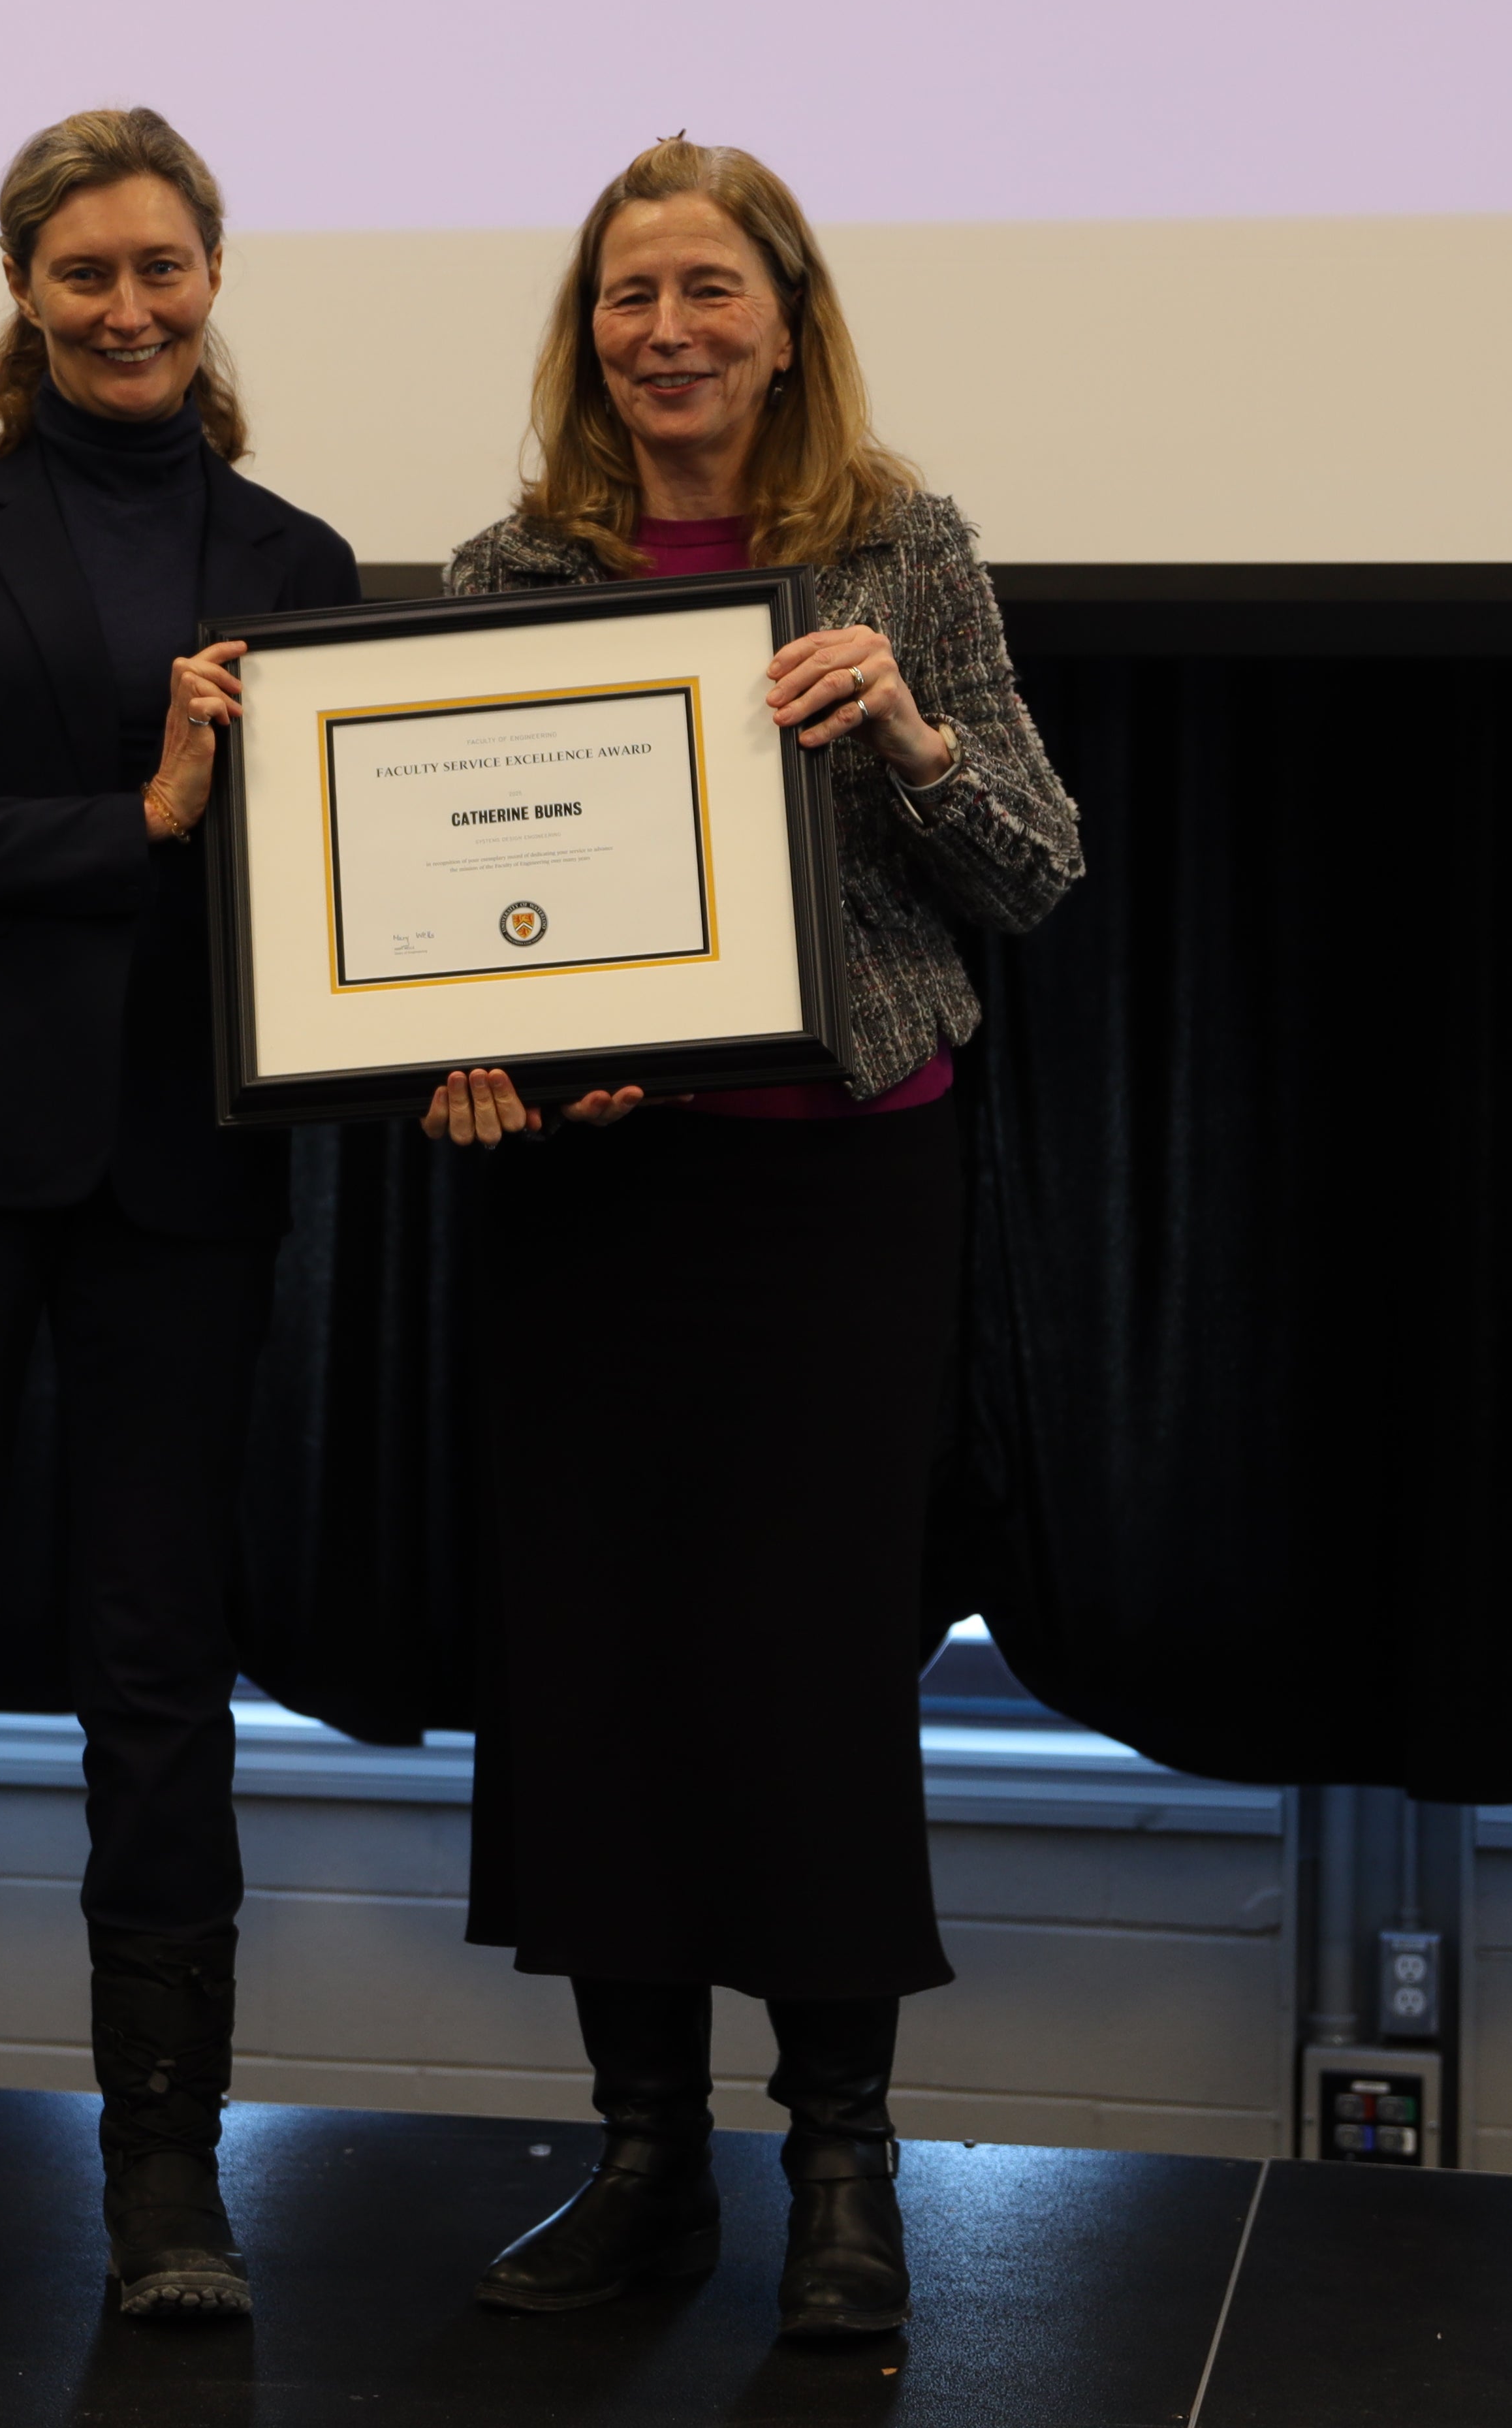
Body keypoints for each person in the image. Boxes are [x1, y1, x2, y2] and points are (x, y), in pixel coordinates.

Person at [425, 138, 1083, 2342]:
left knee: (807, 1668)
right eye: (629, 298)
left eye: (710, 291)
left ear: (787, 317)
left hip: (835, 1183)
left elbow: (1038, 869)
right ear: (586, 329)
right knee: (599, 1662)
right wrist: (471, 1049)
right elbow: (459, 922)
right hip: (598, 1205)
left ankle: (840, 2177)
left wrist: (900, 726)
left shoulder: (903, 545)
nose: (668, 333)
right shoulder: (510, 570)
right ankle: (644, 2165)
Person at [0, 108, 358, 2326]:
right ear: (22, 290)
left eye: (164, 268)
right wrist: (138, 814)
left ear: (216, 278)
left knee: (161, 1682)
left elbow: (327, 899)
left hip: (180, 1174)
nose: (130, 308)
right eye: (85, 272)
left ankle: (169, 2194)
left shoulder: (295, 555)